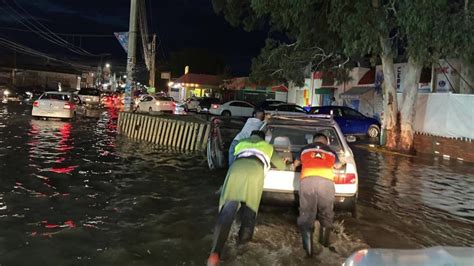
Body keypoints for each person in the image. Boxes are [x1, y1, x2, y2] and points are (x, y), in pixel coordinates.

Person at [207, 130, 287, 266]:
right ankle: (242, 249)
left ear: (251, 137)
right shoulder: (268, 147)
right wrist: (282, 160)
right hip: (254, 172)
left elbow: (233, 157)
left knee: (227, 212)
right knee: (249, 212)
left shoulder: (241, 143)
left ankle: (215, 253)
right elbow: (282, 166)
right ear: (263, 139)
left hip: (236, 170)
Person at [292, 133, 343, 257]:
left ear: (313, 141)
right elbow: (338, 165)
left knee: (306, 215)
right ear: (325, 142)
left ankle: (308, 254)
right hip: (326, 183)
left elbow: (295, 164)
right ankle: (324, 249)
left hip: (307, 181)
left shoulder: (305, 149)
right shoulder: (331, 151)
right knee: (326, 214)